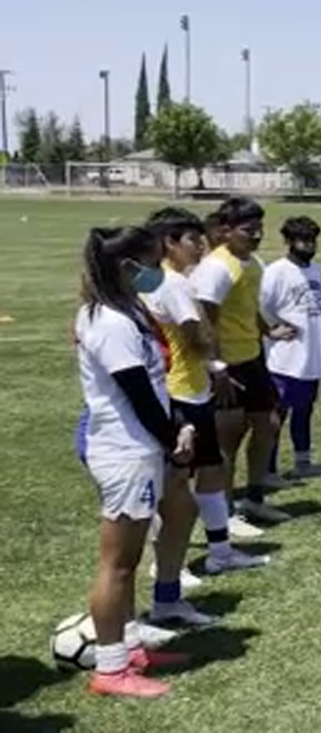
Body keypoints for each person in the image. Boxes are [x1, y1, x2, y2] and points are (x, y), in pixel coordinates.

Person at [75, 225, 193, 697]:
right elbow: (138, 394)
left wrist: (173, 428)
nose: (157, 271)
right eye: (151, 262)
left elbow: (155, 384)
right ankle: (110, 669)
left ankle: (128, 648)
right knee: (118, 564)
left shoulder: (129, 310)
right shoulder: (109, 322)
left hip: (141, 448)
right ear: (126, 266)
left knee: (130, 557)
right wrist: (172, 438)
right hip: (125, 452)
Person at [143, 208, 268, 597]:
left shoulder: (151, 279)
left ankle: (220, 552)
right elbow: (196, 335)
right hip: (180, 390)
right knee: (176, 485)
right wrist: (217, 364)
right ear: (169, 243)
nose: (201, 246)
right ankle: (167, 565)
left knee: (211, 471)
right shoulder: (172, 284)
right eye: (192, 240)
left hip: (192, 388)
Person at [189, 197, 291, 527]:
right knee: (227, 440)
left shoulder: (253, 262)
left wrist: (268, 331)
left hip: (253, 357)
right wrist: (216, 366)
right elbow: (205, 320)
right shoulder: (216, 269)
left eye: (260, 228)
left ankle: (254, 500)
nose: (257, 235)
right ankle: (226, 512)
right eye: (248, 230)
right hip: (227, 364)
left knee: (268, 425)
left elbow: (250, 306)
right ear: (226, 230)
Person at [260, 215, 321, 479]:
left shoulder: (315, 270)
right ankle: (268, 470)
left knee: (305, 410)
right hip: (284, 360)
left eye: (312, 240)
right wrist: (270, 330)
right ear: (289, 241)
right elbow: (256, 307)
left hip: (311, 355)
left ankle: (303, 463)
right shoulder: (276, 272)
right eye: (303, 240)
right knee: (277, 415)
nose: (309, 245)